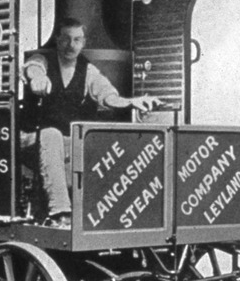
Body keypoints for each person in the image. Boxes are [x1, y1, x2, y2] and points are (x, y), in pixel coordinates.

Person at [21, 17, 166, 229]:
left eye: (77, 40)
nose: (71, 45)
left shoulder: (88, 70)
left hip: (65, 142)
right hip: (31, 139)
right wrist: (37, 78)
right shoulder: (43, 59)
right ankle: (61, 214)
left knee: (97, 141)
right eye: (66, 39)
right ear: (57, 40)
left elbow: (108, 95)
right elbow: (32, 67)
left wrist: (132, 102)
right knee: (51, 134)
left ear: (84, 42)